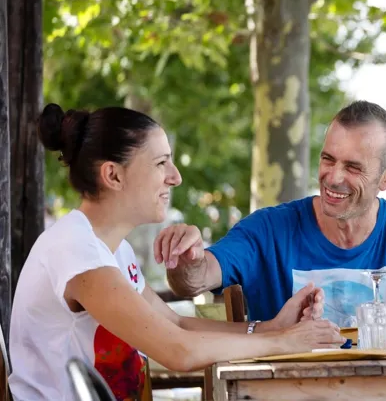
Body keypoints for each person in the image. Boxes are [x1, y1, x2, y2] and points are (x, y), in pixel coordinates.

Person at [9, 104, 344, 401]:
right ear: (113, 175)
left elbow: (175, 323)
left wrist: (272, 328)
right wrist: (286, 342)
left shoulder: (113, 250)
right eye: (161, 163)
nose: (175, 177)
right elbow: (177, 350)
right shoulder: (75, 250)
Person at [155, 100, 386, 327]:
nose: (333, 177)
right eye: (328, 159)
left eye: (353, 167)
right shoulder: (269, 229)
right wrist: (187, 258)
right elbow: (194, 281)